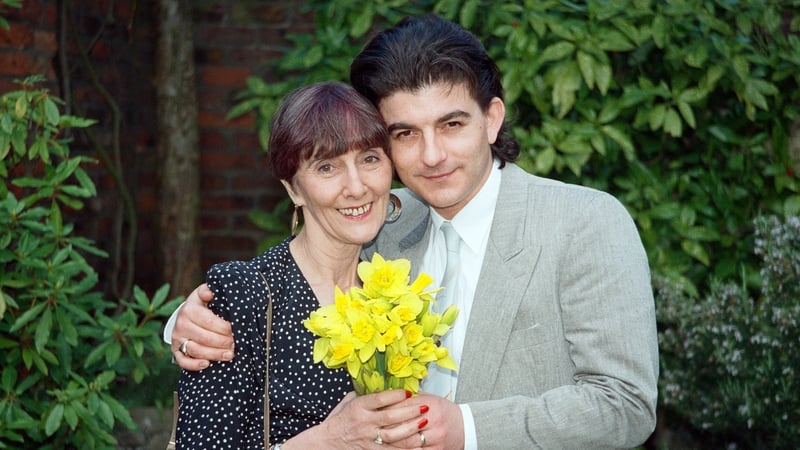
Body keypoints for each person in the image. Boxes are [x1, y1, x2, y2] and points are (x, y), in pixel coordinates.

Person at [168, 14, 659, 449]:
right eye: (404, 133)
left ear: (491, 119)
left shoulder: (583, 222)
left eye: (451, 125)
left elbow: (626, 405)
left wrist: (466, 428)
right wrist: (188, 321)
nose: (431, 155)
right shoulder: (387, 225)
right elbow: (303, 265)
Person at [174, 81, 432, 449]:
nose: (357, 187)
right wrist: (329, 439)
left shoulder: (393, 283)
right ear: (293, 189)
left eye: (370, 159)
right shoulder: (246, 294)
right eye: (327, 167)